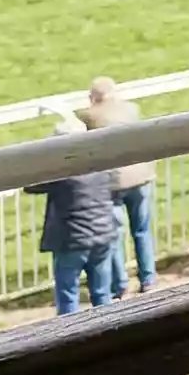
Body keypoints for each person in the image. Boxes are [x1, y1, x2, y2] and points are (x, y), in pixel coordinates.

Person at [72, 76, 155, 296]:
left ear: (93, 97)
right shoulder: (131, 109)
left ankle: (120, 284)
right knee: (142, 230)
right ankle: (148, 279)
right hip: (140, 177)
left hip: (112, 183)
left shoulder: (88, 116)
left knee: (114, 234)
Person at [28, 151, 121, 314]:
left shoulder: (60, 173)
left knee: (68, 296)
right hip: (102, 235)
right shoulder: (103, 167)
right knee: (102, 294)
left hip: (72, 240)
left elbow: (30, 186)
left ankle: (70, 334)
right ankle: (109, 331)